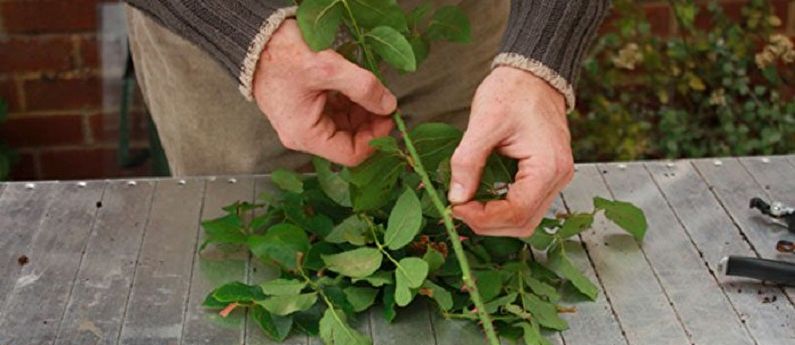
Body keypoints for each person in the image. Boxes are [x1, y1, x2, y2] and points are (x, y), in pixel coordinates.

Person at [124, 1, 609, 237]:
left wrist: (541, 57)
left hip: (445, 24)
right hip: (229, 29)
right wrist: (249, 41)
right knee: (257, 252)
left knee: (467, 229)